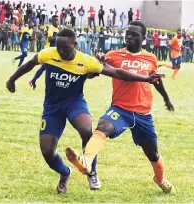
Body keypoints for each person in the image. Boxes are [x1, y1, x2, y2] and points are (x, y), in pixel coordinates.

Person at [6, 28, 163, 194]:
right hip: (52, 108)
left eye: (65, 49)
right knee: (47, 151)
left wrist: (145, 78)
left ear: (75, 45)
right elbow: (29, 64)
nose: (61, 52)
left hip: (75, 103)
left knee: (87, 130)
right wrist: (12, 80)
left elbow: (116, 72)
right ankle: (65, 173)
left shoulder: (86, 61)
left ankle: (91, 172)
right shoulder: (48, 54)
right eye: (58, 48)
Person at [65, 21, 175, 193]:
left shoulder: (150, 58)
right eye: (127, 33)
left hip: (143, 114)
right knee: (103, 126)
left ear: (143, 38)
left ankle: (159, 179)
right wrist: (97, 64)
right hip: (120, 109)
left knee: (153, 154)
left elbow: (156, 80)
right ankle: (86, 161)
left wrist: (167, 99)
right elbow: (93, 73)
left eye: (134, 35)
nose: (128, 36)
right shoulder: (113, 55)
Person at [29, 15, 59, 89]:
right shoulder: (52, 28)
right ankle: (33, 81)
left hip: (53, 52)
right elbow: (50, 39)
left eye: (57, 20)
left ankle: (33, 81)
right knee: (47, 68)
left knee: (45, 68)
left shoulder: (56, 29)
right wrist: (58, 37)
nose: (57, 21)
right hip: (49, 51)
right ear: (52, 21)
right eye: (55, 20)